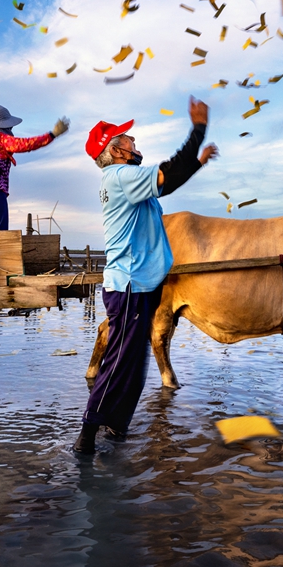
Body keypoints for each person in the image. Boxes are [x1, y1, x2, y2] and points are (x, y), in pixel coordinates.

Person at [74, 96, 218, 454]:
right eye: (128, 139)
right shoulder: (122, 176)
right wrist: (197, 130)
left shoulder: (124, 178)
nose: (135, 143)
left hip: (140, 283)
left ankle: (115, 426)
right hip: (129, 285)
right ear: (118, 151)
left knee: (134, 362)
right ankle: (87, 434)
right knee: (120, 361)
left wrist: (195, 165)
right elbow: (167, 175)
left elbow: (167, 181)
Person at [0, 105, 69, 231]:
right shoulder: (1, 139)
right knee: (0, 232)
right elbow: (27, 144)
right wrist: (52, 135)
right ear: (4, 125)